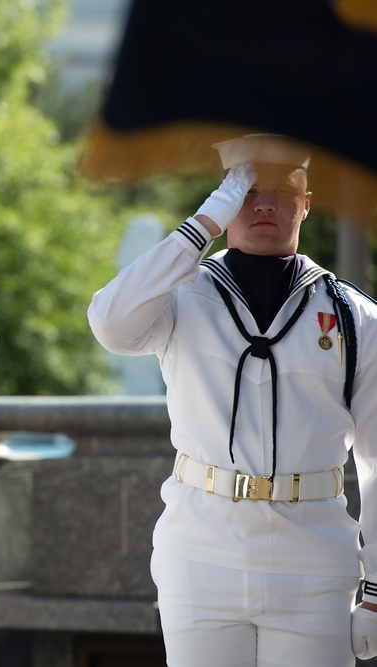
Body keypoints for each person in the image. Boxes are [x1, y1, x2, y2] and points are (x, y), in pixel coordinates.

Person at [88, 133, 377, 666]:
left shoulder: (354, 316)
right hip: (201, 553)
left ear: (307, 203)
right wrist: (203, 224)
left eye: (282, 189)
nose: (263, 203)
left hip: (313, 560)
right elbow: (111, 324)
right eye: (246, 188)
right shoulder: (179, 293)